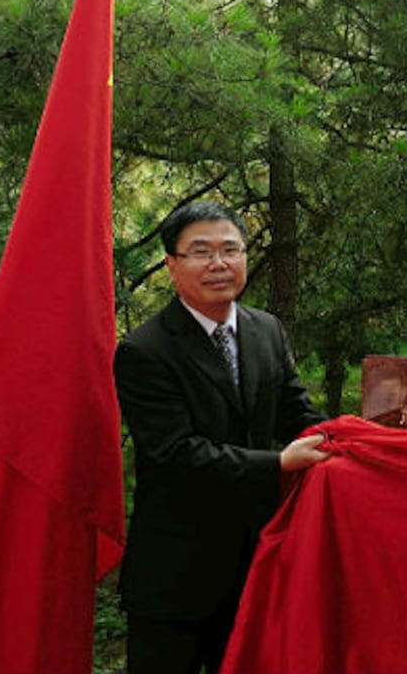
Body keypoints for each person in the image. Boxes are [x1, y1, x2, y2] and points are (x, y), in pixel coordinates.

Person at [114, 201, 331, 674]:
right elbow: (175, 454)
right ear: (171, 265)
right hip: (176, 581)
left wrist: (354, 443)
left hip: (257, 567)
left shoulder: (265, 330)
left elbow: (299, 414)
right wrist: (276, 465)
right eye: (201, 252)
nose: (219, 264)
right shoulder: (144, 351)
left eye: (230, 249)